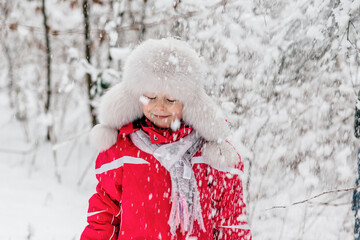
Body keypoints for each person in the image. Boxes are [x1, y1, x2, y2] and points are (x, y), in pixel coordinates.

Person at [81, 38, 252, 240]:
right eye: (150, 97)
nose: (159, 107)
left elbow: (230, 223)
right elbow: (104, 216)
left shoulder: (210, 157)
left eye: (170, 99)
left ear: (188, 102)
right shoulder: (122, 151)